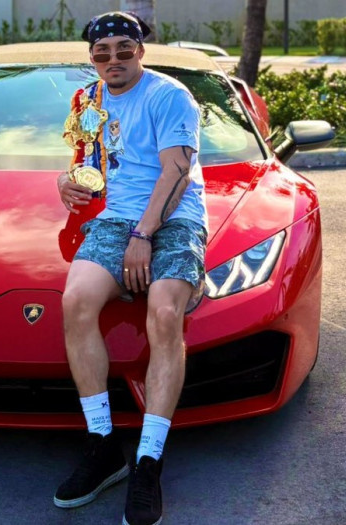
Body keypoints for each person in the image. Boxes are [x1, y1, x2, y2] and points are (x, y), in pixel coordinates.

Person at [54, 11, 208, 525]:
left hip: (175, 216)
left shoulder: (170, 96)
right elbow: (90, 160)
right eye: (103, 52)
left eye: (124, 49)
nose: (113, 59)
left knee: (164, 312)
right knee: (76, 301)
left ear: (141, 51)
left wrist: (143, 236)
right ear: (92, 57)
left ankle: (148, 461)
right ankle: (104, 447)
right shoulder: (89, 99)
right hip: (116, 217)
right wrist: (65, 182)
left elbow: (177, 171)